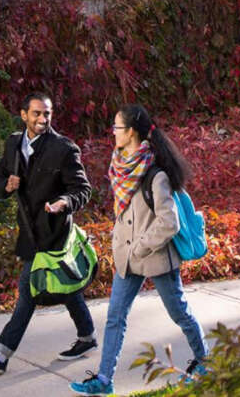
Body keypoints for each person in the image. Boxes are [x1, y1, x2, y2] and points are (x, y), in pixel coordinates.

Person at [70, 104, 207, 395]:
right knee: (115, 318)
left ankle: (204, 361)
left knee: (179, 313)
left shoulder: (156, 175)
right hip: (128, 258)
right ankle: (104, 380)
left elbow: (169, 222)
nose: (113, 132)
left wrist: (141, 246)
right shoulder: (120, 166)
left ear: (131, 132)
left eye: (117, 127)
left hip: (155, 257)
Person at [0, 92, 97, 374]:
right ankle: (87, 337)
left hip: (54, 232)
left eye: (46, 113)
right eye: (36, 113)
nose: (42, 118)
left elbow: (82, 190)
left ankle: (1, 355)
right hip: (28, 231)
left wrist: (64, 202)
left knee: (27, 291)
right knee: (66, 287)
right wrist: (6, 185)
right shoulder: (13, 143)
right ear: (24, 114)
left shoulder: (64, 148)